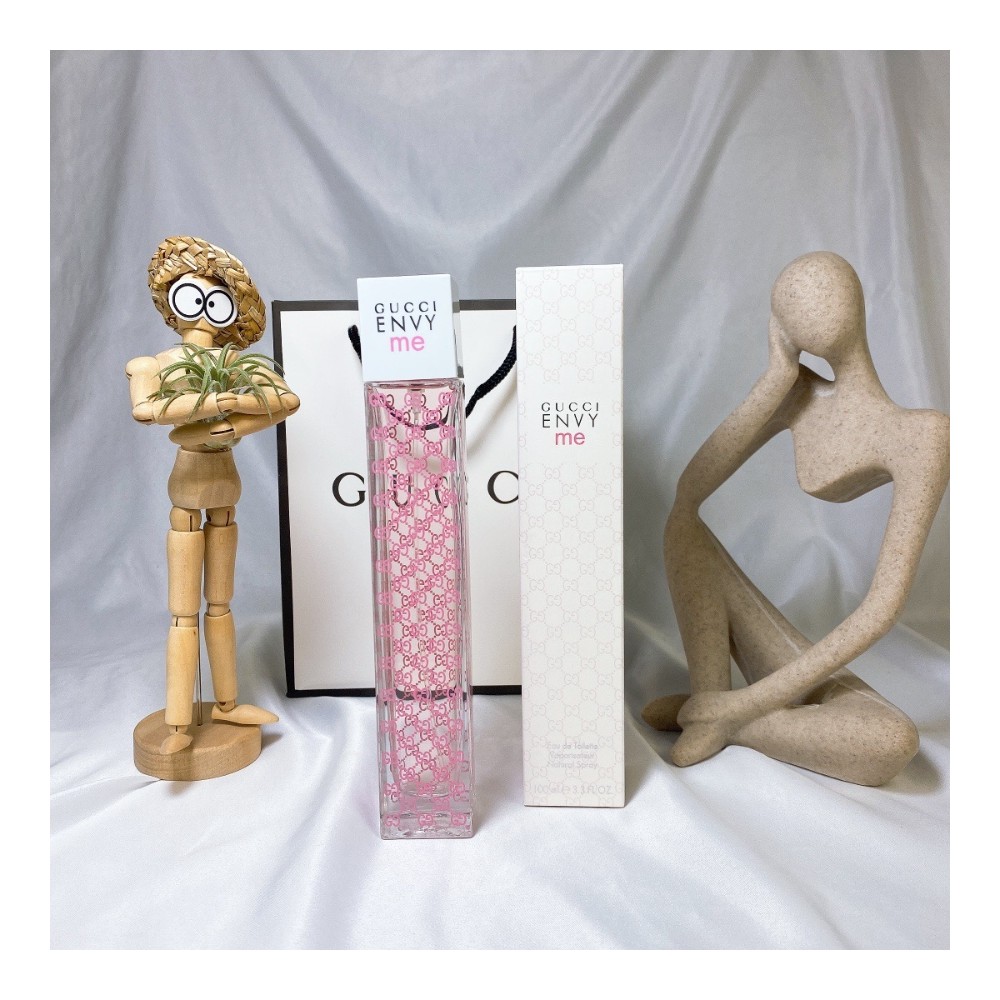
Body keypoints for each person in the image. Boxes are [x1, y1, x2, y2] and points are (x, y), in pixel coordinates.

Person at [642, 251, 949, 785]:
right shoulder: (797, 395)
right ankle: (713, 698)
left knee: (890, 742)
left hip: (798, 672)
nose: (813, 309)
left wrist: (748, 704)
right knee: (681, 524)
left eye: (819, 296)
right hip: (778, 662)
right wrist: (775, 377)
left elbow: (881, 610)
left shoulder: (924, 436)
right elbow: (690, 490)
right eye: (796, 302)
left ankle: (718, 717)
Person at [126, 236, 300, 754]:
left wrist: (234, 421)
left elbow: (286, 400)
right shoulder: (154, 363)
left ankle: (226, 703)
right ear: (170, 299)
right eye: (192, 296)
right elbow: (146, 410)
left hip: (226, 490)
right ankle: (179, 724)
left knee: (220, 605)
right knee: (184, 611)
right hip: (187, 490)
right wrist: (210, 408)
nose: (202, 311)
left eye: (215, 301)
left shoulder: (238, 365)